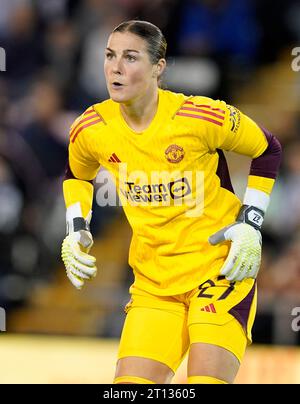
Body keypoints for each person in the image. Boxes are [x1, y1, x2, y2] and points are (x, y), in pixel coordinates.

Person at [61, 20, 282, 384]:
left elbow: (267, 148)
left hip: (219, 270)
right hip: (153, 282)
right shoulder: (91, 128)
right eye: (110, 56)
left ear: (158, 68)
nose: (115, 68)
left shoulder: (197, 116)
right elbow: (77, 175)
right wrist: (76, 228)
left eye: (130, 58)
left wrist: (250, 223)